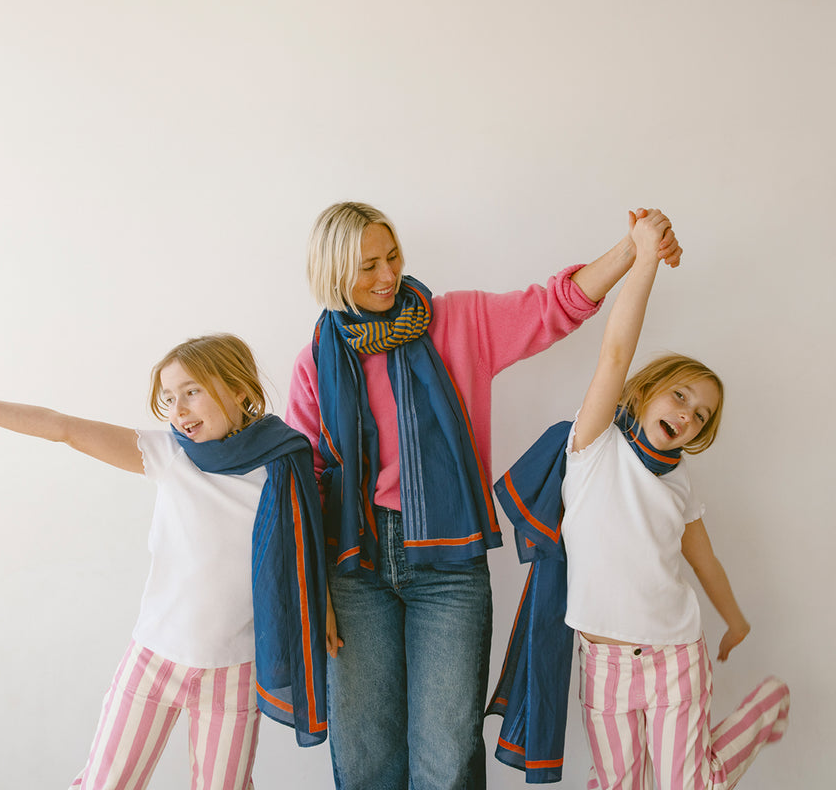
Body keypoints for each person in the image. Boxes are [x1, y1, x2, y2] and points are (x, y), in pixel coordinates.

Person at [284, 201, 682, 790]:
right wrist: (312, 595)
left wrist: (634, 247)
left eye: (392, 256)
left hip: (448, 562)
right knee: (367, 758)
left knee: (446, 758)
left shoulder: (457, 320)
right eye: (368, 266)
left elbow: (555, 305)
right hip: (354, 567)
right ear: (333, 272)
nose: (388, 275)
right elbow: (306, 485)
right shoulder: (317, 361)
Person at [0, 333, 327, 790]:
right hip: (154, 660)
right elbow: (61, 426)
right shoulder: (169, 456)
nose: (179, 410)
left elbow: (306, 552)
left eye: (192, 391)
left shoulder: (284, 464)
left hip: (236, 669)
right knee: (107, 783)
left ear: (240, 389)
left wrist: (327, 614)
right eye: (169, 398)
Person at [496, 210, 788, 789]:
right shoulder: (594, 444)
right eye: (680, 395)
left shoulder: (680, 484)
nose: (686, 413)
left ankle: (767, 704)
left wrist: (733, 620)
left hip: (675, 657)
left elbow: (703, 561)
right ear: (646, 391)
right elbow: (614, 353)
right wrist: (645, 258)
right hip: (605, 667)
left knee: (691, 785)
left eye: (699, 414)